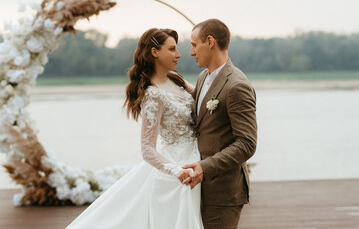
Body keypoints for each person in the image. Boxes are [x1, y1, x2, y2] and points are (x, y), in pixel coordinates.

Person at [66, 28, 204, 229]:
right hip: (179, 171)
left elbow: (203, 98)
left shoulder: (176, 78)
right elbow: (147, 149)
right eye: (172, 49)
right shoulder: (153, 94)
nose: (179, 54)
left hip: (197, 157)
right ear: (155, 52)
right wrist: (176, 171)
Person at [182, 19, 257, 229]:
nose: (191, 52)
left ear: (210, 42)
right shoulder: (201, 77)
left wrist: (205, 167)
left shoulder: (237, 86)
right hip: (198, 188)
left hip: (223, 192)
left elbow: (247, 143)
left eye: (194, 44)